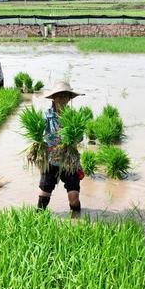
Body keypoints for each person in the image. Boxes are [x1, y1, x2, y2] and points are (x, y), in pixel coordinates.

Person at [37, 81, 85, 216]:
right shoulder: (46, 116)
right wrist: (38, 146)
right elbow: (38, 134)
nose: (62, 98)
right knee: (43, 196)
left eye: (65, 95)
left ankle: (77, 220)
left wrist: (74, 136)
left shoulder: (74, 117)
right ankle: (38, 221)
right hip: (51, 160)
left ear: (69, 98)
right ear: (53, 98)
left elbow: (81, 138)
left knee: (74, 199)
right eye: (59, 95)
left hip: (70, 161)